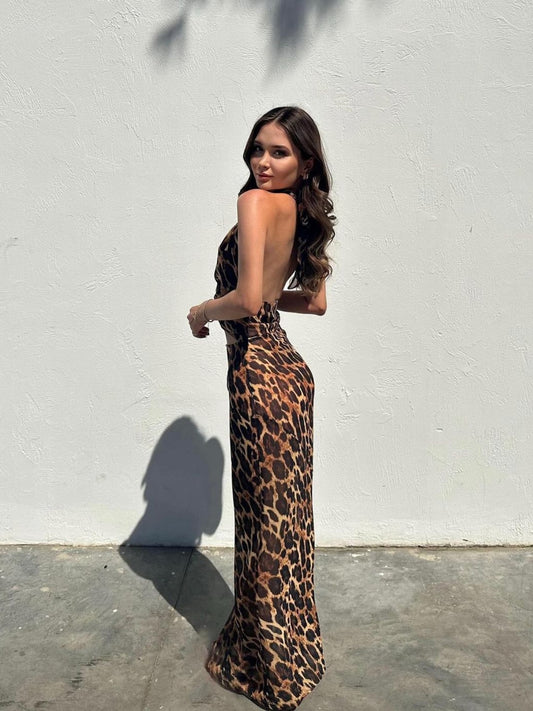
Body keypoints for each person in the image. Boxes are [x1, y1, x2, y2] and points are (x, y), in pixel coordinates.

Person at [187, 106, 336, 711]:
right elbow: (312, 302)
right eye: (257, 149)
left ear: (305, 161)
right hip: (292, 377)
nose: (263, 162)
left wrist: (202, 311)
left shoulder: (253, 203)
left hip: (256, 377)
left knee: (261, 527)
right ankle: (297, 652)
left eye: (279, 152)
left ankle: (268, 668)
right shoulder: (301, 212)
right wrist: (265, 297)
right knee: (287, 522)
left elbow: (248, 301)